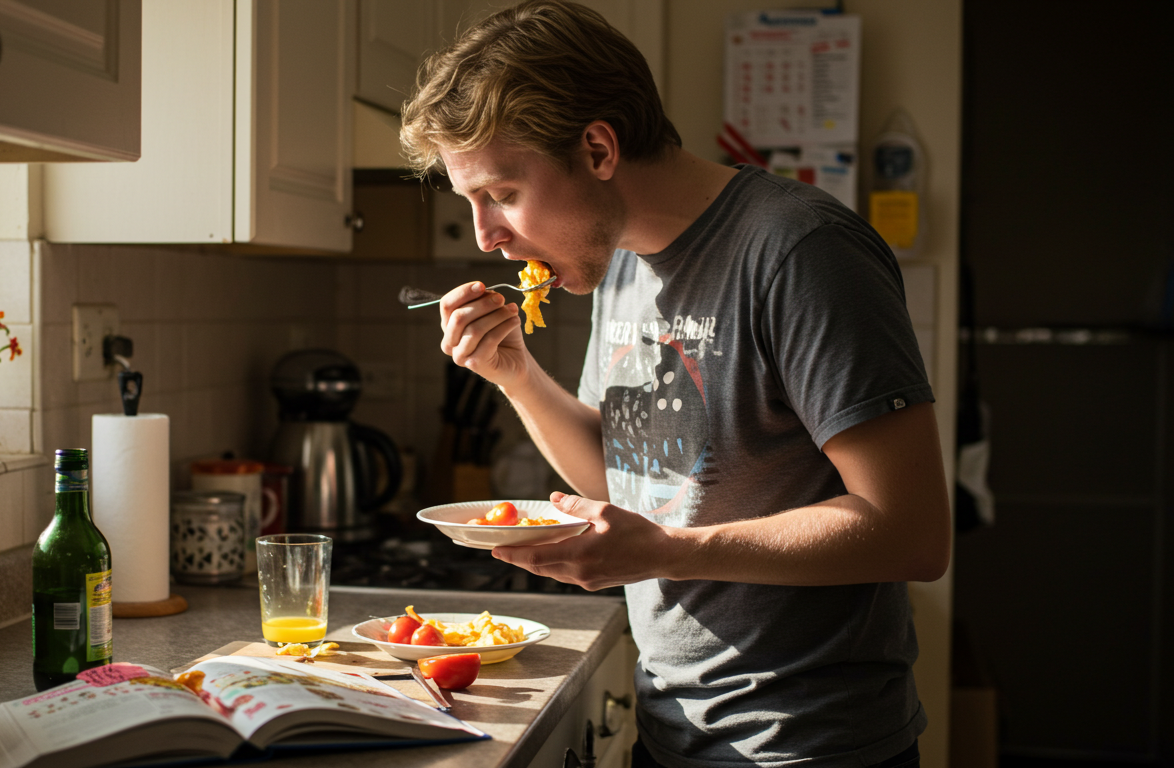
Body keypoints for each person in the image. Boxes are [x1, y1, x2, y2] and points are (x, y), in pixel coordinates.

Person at [399, 3, 950, 767]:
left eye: (501, 193)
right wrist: (515, 376)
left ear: (598, 149)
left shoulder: (803, 252)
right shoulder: (621, 258)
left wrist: (668, 551)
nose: (486, 235)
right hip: (672, 732)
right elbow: (633, 483)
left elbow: (911, 531)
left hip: (808, 746)